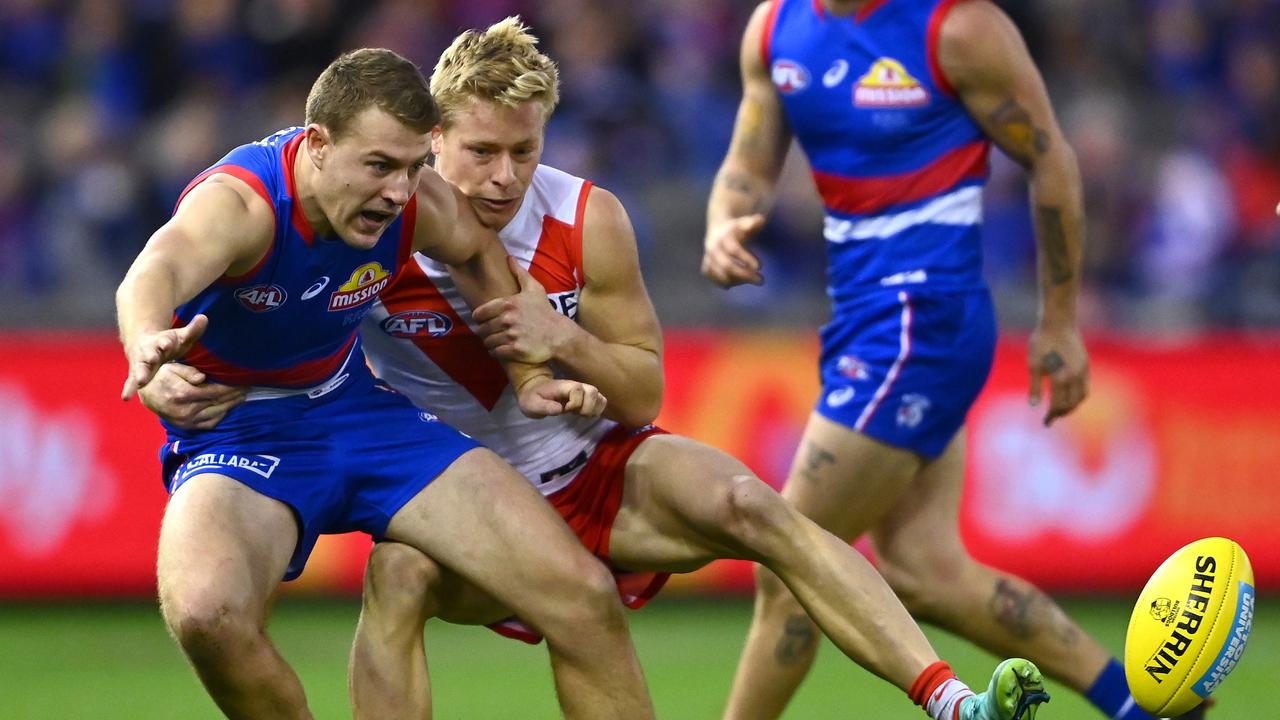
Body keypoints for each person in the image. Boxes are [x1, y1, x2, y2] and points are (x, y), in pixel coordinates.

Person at [145, 18, 1051, 720]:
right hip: (467, 496)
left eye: (524, 150)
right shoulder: (380, 220)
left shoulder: (589, 219)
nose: (503, 177)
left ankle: (946, 697)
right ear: (433, 142)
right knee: (399, 578)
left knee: (755, 505)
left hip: (590, 468)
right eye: (479, 153)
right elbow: (276, 310)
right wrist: (212, 369)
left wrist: (564, 345)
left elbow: (647, 392)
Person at [116, 47, 655, 720]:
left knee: (582, 593)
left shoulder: (413, 201)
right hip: (239, 427)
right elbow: (154, 270)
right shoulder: (244, 206)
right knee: (207, 616)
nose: (399, 192)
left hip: (356, 411)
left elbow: (477, 251)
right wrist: (148, 350)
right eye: (378, 166)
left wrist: (527, 376)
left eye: (412, 166)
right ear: (316, 144)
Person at [701, 2, 1201, 720]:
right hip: (865, 321)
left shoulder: (956, 28)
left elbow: (1050, 154)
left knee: (791, 568)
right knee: (927, 573)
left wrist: (1060, 321)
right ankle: (1135, 703)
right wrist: (724, 223)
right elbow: (746, 167)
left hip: (921, 323)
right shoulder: (774, 28)